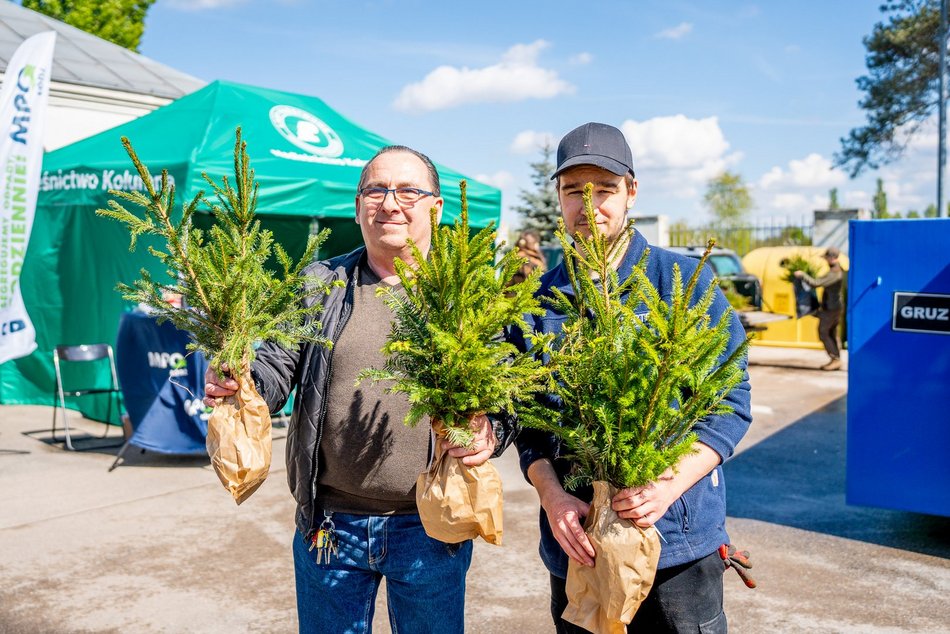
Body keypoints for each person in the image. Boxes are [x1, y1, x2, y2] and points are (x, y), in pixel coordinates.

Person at [203, 145, 513, 634]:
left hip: (431, 526)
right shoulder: (319, 285)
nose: (390, 203)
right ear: (358, 206)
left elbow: (506, 391)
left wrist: (491, 429)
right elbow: (276, 366)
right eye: (376, 190)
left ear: (436, 206)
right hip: (330, 527)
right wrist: (242, 383)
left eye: (409, 190)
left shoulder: (462, 295)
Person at [513, 122, 752, 633]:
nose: (588, 203)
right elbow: (527, 424)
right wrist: (553, 498)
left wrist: (668, 485)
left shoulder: (684, 283)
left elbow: (730, 401)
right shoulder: (537, 304)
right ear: (558, 197)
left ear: (631, 193)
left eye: (605, 189)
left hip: (678, 546)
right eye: (573, 190)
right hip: (578, 544)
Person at [794, 247, 844, 371]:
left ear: (832, 258)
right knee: (832, 332)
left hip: (831, 308)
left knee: (823, 332)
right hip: (835, 307)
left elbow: (816, 283)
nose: (825, 260)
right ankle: (836, 358)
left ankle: (835, 359)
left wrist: (802, 275)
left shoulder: (835, 273)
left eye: (826, 257)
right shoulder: (837, 270)